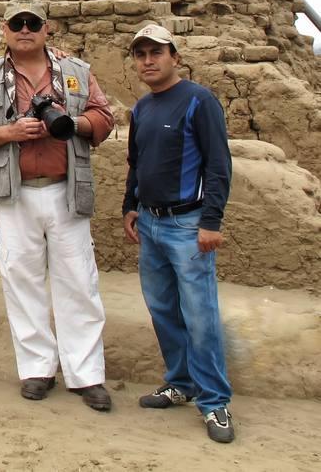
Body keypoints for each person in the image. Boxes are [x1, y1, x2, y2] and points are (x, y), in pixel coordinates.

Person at [0, 0, 114, 411]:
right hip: (15, 194)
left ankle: (86, 375)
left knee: (79, 282)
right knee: (21, 280)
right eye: (17, 23)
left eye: (33, 22)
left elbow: (104, 118)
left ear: (48, 29)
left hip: (66, 189)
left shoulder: (76, 72)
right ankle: (37, 369)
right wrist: (11, 132)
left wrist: (70, 123)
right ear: (4, 31)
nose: (25, 29)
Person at [123, 22, 235, 443]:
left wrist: (211, 222)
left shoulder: (198, 101)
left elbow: (218, 166)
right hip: (150, 224)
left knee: (200, 315)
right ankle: (181, 383)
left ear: (175, 56)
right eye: (141, 54)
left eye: (156, 53)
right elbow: (137, 163)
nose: (148, 61)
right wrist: (129, 208)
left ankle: (215, 402)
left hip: (189, 225)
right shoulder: (143, 109)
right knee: (163, 309)